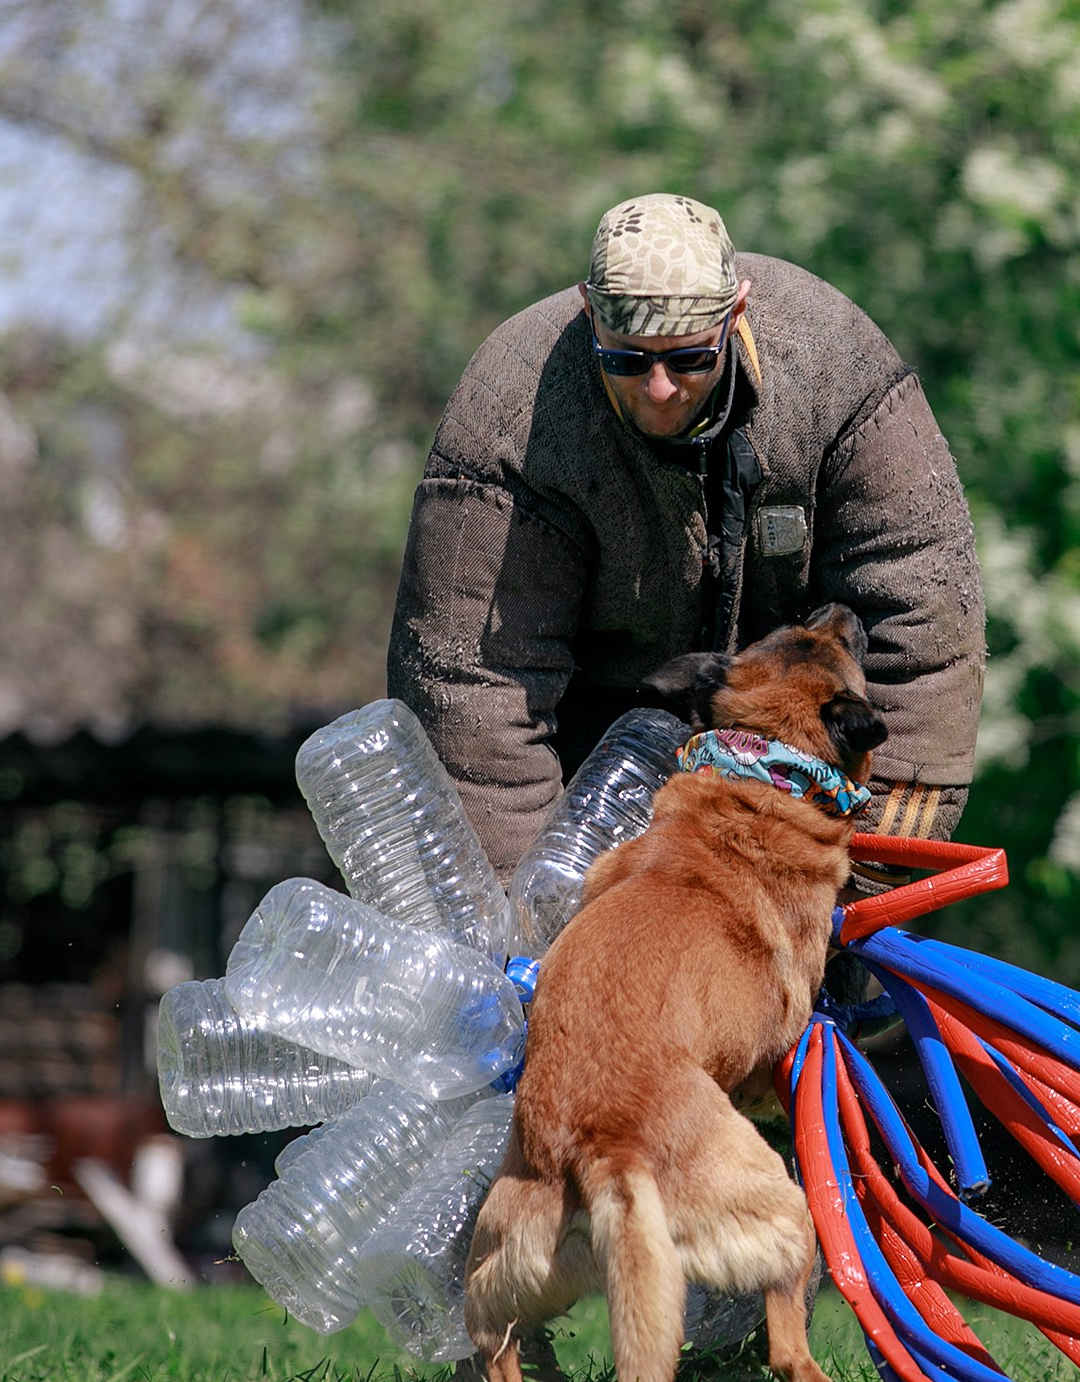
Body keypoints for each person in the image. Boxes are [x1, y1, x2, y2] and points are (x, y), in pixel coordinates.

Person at [389, 193, 983, 875]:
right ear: (590, 312)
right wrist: (530, 910)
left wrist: (853, 879)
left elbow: (923, 632)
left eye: (690, 358)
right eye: (627, 360)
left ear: (737, 312)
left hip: (795, 779)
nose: (660, 389)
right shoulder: (507, 419)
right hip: (581, 782)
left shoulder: (839, 368)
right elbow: (475, 699)